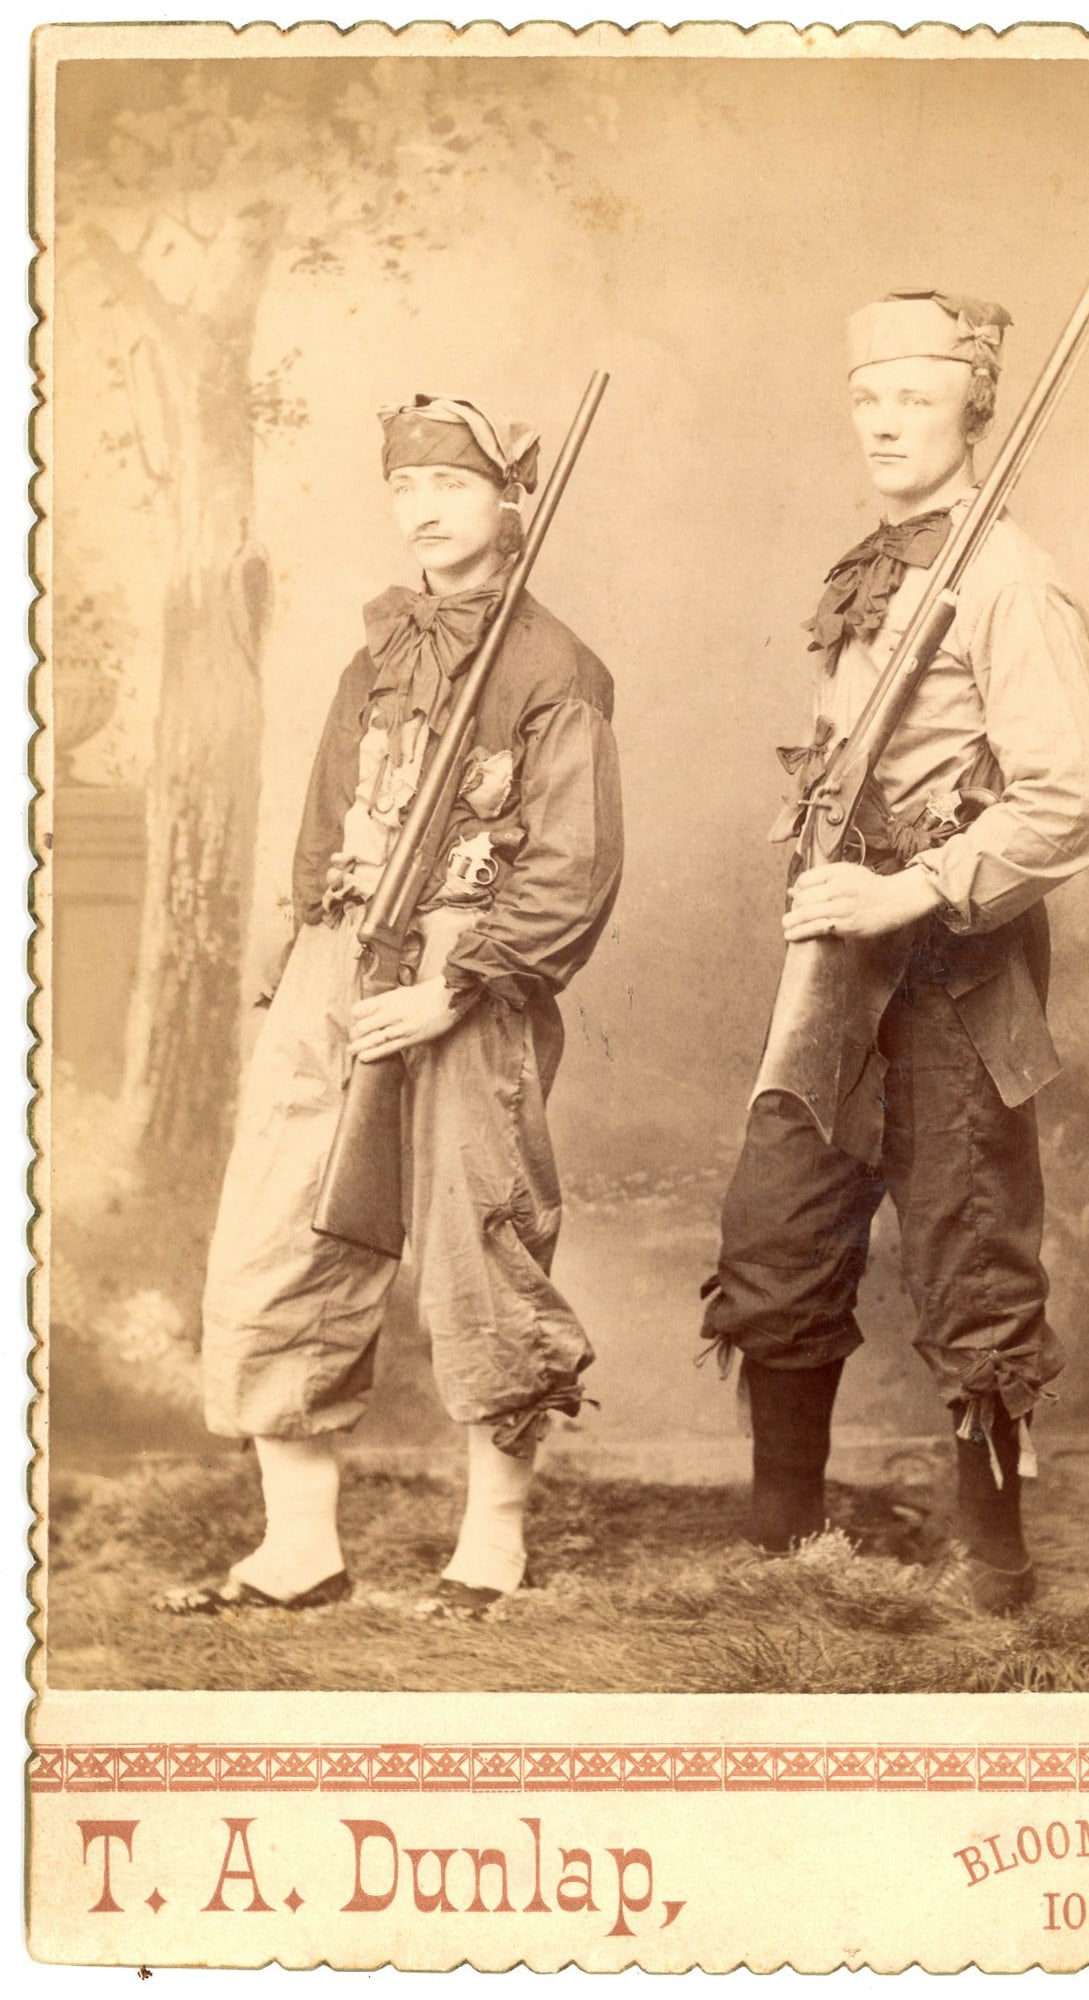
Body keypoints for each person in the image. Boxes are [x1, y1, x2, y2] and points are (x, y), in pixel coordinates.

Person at [160, 393, 623, 1617]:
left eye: (453, 487)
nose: (423, 510)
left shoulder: (556, 669)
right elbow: (323, 825)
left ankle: (494, 1539)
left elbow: (571, 868)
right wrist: (313, 958)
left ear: (507, 504)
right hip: (337, 964)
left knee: (484, 1244)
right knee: (283, 1228)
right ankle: (299, 1548)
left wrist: (451, 986)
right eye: (406, 490)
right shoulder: (374, 657)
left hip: (471, 972)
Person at [699, 291, 1089, 1613]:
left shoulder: (1009, 580)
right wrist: (843, 891)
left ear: (972, 412)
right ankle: (785, 1555)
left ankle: (996, 1569)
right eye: (868, 397)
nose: (885, 422)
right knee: (777, 1231)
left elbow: (1072, 795)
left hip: (956, 966)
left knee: (973, 1250)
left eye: (916, 398)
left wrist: (919, 888)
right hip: (837, 958)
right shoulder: (874, 566)